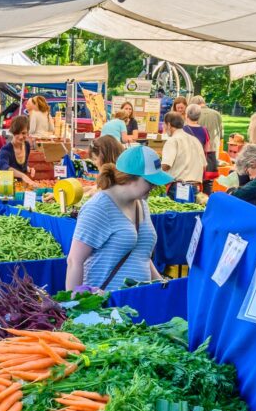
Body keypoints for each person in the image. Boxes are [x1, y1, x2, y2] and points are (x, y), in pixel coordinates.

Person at [66, 145, 171, 292]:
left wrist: (161, 285)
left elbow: (142, 256)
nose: (154, 186)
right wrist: (75, 301)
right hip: (105, 306)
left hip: (138, 302)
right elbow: (74, 261)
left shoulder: (142, 205)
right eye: (150, 181)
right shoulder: (99, 207)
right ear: (131, 177)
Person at [160, 112, 205, 198]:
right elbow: (204, 165)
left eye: (164, 125)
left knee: (176, 211)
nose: (164, 127)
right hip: (195, 187)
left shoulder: (172, 141)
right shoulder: (195, 140)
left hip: (179, 187)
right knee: (191, 211)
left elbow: (166, 165)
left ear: (169, 125)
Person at [0, 115, 36, 184]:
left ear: (28, 132)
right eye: (17, 133)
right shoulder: (5, 150)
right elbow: (4, 167)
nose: (20, 137)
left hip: (22, 187)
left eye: (24, 133)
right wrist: (22, 175)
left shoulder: (27, 145)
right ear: (13, 132)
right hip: (7, 186)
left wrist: (28, 169)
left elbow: (22, 166)